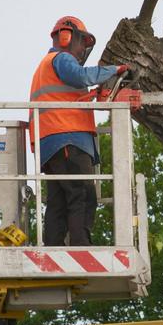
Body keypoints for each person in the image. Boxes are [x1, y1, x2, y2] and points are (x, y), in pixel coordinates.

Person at [29, 16, 129, 246]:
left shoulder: (45, 67)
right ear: (66, 37)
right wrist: (114, 70)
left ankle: (54, 247)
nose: (83, 48)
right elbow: (81, 76)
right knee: (82, 194)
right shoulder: (61, 59)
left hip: (51, 143)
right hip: (67, 138)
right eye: (82, 41)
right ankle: (82, 247)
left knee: (59, 200)